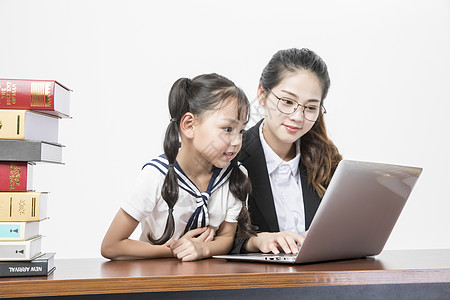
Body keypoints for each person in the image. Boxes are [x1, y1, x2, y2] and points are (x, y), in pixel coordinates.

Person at [101, 73, 255, 261]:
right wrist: (177, 250)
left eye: (241, 130)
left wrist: (203, 249)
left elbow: (226, 238)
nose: (237, 141)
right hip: (157, 278)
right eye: (228, 129)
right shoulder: (156, 176)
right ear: (189, 125)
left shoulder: (236, 175)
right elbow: (111, 246)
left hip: (209, 279)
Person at [232, 48, 342, 255]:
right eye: (287, 102)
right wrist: (256, 240)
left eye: (310, 107)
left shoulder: (326, 160)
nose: (297, 117)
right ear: (262, 95)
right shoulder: (232, 154)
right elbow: (214, 232)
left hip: (320, 278)